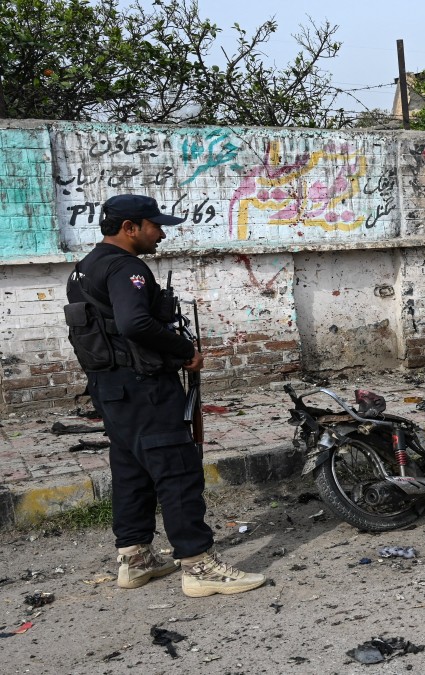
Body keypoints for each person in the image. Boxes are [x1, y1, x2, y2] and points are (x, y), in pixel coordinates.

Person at [65, 194, 265, 597]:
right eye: (154, 225)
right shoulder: (126, 268)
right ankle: (198, 564)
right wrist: (184, 351)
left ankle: (135, 558)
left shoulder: (83, 268)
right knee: (177, 469)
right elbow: (135, 322)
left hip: (111, 387)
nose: (161, 233)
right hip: (145, 387)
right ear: (130, 228)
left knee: (131, 470)